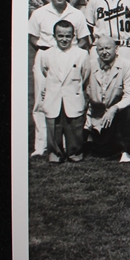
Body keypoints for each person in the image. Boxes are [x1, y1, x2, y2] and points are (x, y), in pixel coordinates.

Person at [28, 0, 91, 157]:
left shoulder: (76, 14)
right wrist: (45, 53)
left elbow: (83, 39)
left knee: (69, 101)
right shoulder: (39, 13)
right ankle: (41, 146)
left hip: (70, 58)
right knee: (43, 102)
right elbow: (32, 37)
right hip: (46, 57)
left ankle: (66, 144)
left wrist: (72, 54)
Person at [35, 20, 90, 163]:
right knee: (54, 127)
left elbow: (85, 75)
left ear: (73, 37)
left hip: (73, 96)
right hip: (54, 96)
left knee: (74, 128)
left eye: (68, 36)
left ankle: (75, 153)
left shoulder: (81, 54)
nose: (64, 39)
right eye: (60, 36)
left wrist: (75, 88)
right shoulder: (46, 55)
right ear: (54, 36)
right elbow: (45, 71)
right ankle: (55, 154)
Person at [84, 36, 130, 162]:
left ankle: (129, 143)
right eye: (101, 49)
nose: (104, 52)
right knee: (101, 151)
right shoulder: (91, 65)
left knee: (128, 113)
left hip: (120, 111)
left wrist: (114, 109)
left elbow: (129, 95)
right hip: (98, 112)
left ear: (116, 49)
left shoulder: (126, 64)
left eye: (108, 48)